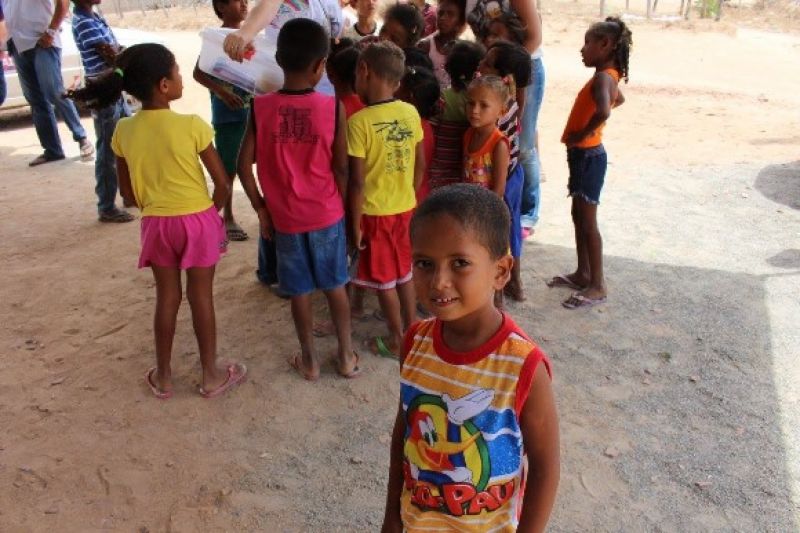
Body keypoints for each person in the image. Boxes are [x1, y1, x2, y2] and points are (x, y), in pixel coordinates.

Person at [70, 43, 246, 399]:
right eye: (178, 72)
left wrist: (155, 204)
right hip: (197, 219)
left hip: (157, 225)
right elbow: (223, 184)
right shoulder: (192, 125)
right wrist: (210, 214)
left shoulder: (123, 131)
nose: (182, 77)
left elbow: (129, 195)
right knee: (202, 297)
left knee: (167, 297)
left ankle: (164, 376)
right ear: (164, 85)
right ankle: (210, 375)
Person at [381, 184, 560, 532]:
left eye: (460, 263)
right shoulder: (416, 342)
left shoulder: (523, 366)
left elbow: (545, 467)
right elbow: (405, 427)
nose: (439, 282)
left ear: (500, 272)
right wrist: (392, 516)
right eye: (424, 264)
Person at [238, 19, 359, 380]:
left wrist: (261, 208)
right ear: (321, 65)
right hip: (326, 214)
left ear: (277, 58)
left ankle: (309, 361)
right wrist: (341, 209)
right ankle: (346, 355)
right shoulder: (331, 107)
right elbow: (341, 169)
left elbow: (243, 166)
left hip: (285, 219)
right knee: (336, 285)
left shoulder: (260, 108)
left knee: (300, 292)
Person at [348, 41, 424, 358]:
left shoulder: (359, 123)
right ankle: (414, 330)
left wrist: (354, 225)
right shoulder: (410, 112)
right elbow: (420, 164)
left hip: (375, 215)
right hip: (405, 209)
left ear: (365, 71)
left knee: (384, 282)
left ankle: (397, 340)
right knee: (404, 273)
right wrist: (408, 193)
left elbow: (357, 182)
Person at [550, 17, 631, 309]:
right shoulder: (608, 75)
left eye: (587, 43)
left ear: (605, 45)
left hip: (588, 154)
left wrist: (582, 133)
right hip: (585, 154)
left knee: (588, 222)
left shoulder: (602, 78)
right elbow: (618, 100)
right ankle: (583, 272)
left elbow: (606, 111)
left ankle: (597, 284)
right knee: (578, 216)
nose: (582, 49)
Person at [467, 0, 544, 238]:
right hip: (496, 71)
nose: (491, 37)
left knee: (525, 147)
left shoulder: (506, 96)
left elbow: (533, 38)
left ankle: (527, 214)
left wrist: (510, 68)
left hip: (515, 68)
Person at [67, 0, 134, 223]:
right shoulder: (85, 21)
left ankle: (127, 194)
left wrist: (120, 53)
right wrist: (124, 55)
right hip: (104, 90)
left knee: (126, 142)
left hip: (112, 88)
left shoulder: (93, 17)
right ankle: (106, 205)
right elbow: (111, 53)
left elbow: (115, 51)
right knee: (108, 149)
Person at [4, 0, 94, 166]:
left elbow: (63, 3)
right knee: (35, 100)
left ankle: (82, 138)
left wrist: (51, 31)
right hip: (17, 46)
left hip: (43, 42)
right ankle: (52, 150)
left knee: (53, 91)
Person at [193, 0, 251, 242]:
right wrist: (222, 92)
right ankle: (227, 217)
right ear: (222, 7)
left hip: (251, 111)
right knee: (229, 168)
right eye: (239, 1)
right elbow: (198, 73)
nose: (245, 4)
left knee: (250, 162)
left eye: (246, 1)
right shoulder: (215, 38)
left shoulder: (251, 35)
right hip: (228, 115)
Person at [478, 40, 531, 301]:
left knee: (502, 230)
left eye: (487, 63)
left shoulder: (494, 108)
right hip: (513, 173)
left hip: (503, 178)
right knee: (511, 228)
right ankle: (514, 283)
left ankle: (506, 286)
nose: (481, 64)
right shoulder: (509, 100)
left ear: (504, 77)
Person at [428, 40, 483, 189]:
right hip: (466, 170)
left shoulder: (442, 100)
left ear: (448, 69)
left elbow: (431, 130)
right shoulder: (480, 101)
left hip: (441, 167)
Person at [396, 65, 439, 204]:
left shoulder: (410, 127)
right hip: (418, 193)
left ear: (409, 96)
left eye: (398, 85)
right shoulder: (425, 125)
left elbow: (418, 168)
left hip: (409, 197)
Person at [416, 0, 467, 89]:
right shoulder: (425, 46)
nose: (443, 18)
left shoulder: (464, 50)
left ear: (460, 20)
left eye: (450, 14)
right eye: (440, 13)